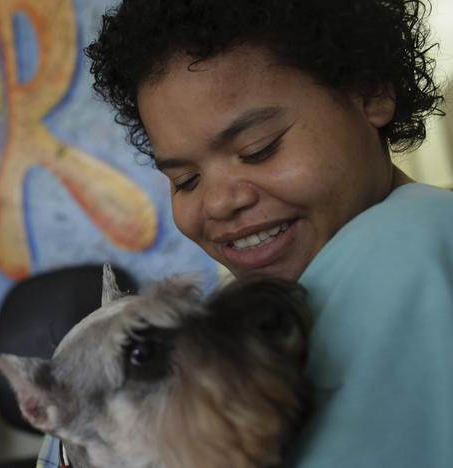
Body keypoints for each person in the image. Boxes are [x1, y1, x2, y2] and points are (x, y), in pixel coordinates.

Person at [36, 0, 453, 466]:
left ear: (371, 93)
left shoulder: (408, 250)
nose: (218, 202)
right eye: (185, 181)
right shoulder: (307, 277)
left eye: (259, 149)